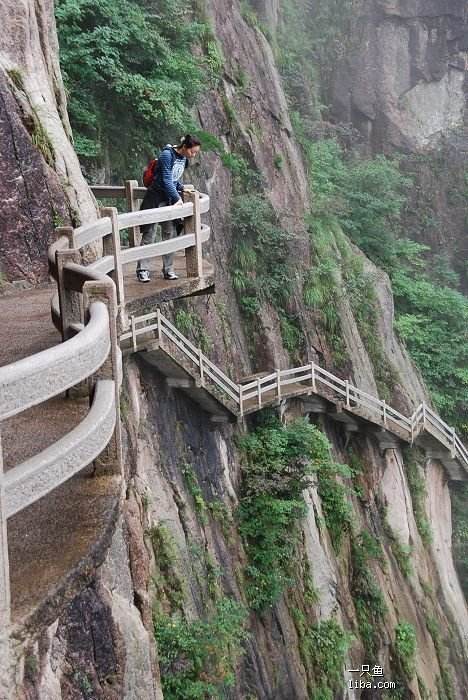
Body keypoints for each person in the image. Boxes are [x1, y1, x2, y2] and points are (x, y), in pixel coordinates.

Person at [136, 135, 201, 282]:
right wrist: (178, 198)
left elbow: (174, 179)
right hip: (155, 198)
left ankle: (168, 269)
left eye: (196, 153)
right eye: (193, 152)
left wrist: (182, 188)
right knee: (149, 234)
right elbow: (165, 179)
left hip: (169, 199)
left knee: (170, 234)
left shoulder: (183, 159)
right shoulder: (167, 155)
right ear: (185, 147)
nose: (194, 155)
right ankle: (142, 270)